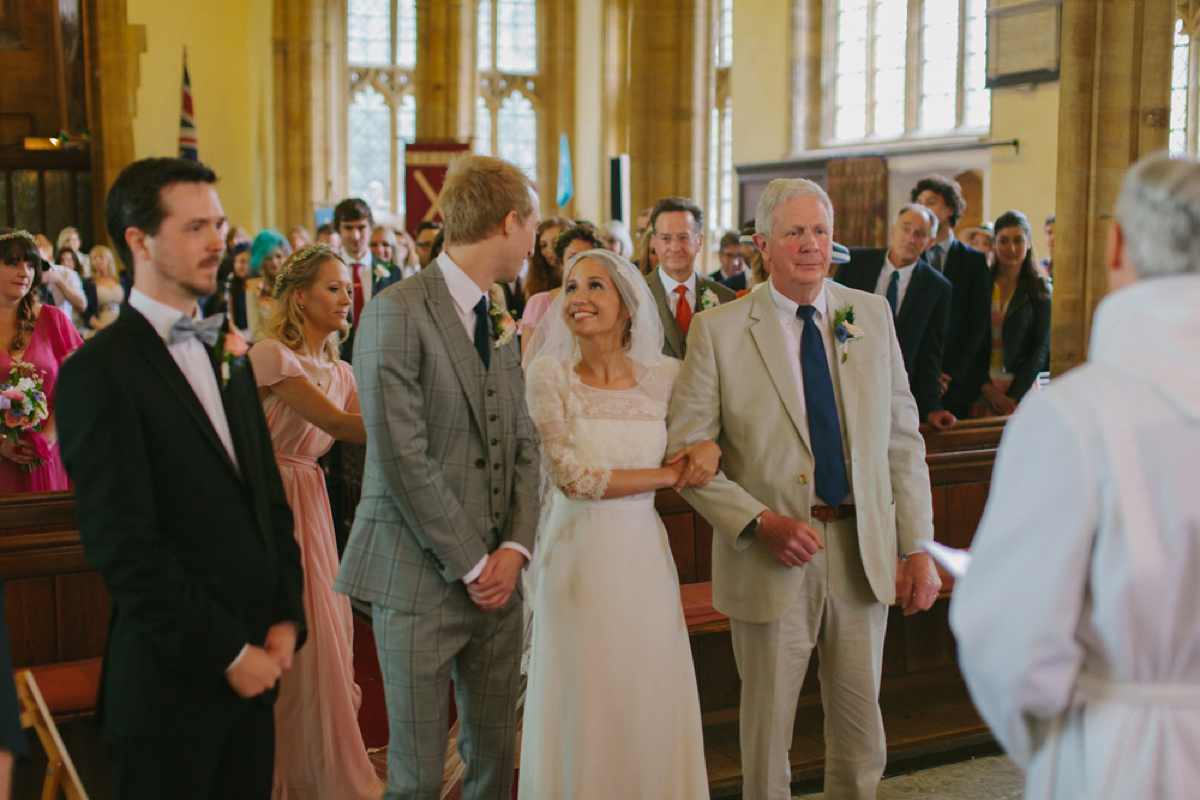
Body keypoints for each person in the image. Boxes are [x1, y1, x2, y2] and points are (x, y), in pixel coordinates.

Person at [667, 178, 940, 800]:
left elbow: (902, 437)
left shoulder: (865, 313)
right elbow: (688, 455)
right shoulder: (720, 329)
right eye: (794, 233)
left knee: (860, 729)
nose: (811, 245)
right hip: (771, 554)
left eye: (820, 230)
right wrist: (760, 521)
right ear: (763, 244)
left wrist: (916, 546)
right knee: (767, 733)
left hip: (860, 548)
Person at [949, 152, 1200, 799]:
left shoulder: (1075, 415)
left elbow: (1007, 636)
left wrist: (1071, 742)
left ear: (1115, 246)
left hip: (1128, 756)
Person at [57, 157, 305, 800]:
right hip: (170, 698)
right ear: (138, 241)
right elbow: (124, 547)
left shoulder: (232, 353)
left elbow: (268, 501)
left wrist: (284, 614)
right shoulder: (99, 372)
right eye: (196, 227)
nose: (219, 242)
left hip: (253, 680)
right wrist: (229, 653)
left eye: (219, 224)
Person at [334, 154, 541, 800]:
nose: (537, 239)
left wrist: (514, 548)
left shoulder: (500, 311)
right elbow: (401, 458)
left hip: (500, 585)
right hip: (418, 579)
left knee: (491, 764)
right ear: (509, 223)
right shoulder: (396, 312)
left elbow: (525, 444)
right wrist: (475, 563)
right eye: (534, 223)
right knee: (418, 776)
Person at [519, 249, 716, 798]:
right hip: (577, 555)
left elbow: (708, 432)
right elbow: (572, 478)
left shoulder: (666, 378)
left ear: (628, 305)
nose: (579, 298)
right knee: (586, 693)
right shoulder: (548, 375)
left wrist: (708, 447)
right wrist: (668, 475)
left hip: (642, 557)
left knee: (645, 687)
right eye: (572, 287)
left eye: (595, 286)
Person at [248, 244, 382, 800]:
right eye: (333, 287)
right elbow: (341, 425)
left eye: (348, 287)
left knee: (330, 630)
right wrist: (427, 423)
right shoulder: (273, 356)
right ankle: (283, 772)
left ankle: (319, 764)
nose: (346, 296)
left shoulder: (342, 369)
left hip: (312, 499)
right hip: (267, 500)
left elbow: (360, 422)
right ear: (299, 296)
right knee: (297, 628)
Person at [836, 205, 955, 430]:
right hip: (847, 380)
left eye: (919, 233)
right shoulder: (855, 263)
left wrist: (932, 407)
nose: (910, 238)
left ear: (930, 243)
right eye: (905, 229)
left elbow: (930, 351)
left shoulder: (937, 287)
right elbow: (836, 322)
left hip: (895, 390)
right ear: (892, 231)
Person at [0, 230, 82, 492]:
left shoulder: (53, 319)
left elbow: (77, 385)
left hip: (48, 455)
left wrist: (47, 438)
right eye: (13, 263)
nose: (25, 272)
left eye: (30, 265)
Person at [912, 175, 992, 420]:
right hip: (913, 375)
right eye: (920, 202)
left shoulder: (973, 261)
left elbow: (977, 323)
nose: (924, 208)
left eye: (932, 201)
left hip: (955, 379)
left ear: (950, 209)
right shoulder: (910, 256)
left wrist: (948, 373)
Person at [973, 210, 1052, 416]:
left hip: (1021, 390)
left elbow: (1040, 347)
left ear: (1028, 243)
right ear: (995, 243)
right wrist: (986, 386)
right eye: (1004, 241)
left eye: (1018, 240)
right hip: (981, 388)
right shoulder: (980, 283)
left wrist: (1013, 396)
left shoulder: (1040, 289)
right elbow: (968, 340)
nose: (1012, 248)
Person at [644, 197, 736, 360]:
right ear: (655, 243)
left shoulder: (726, 299)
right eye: (666, 238)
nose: (675, 248)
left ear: (699, 241)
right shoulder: (636, 295)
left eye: (683, 237)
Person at [520, 224, 605, 353]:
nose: (580, 263)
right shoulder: (539, 303)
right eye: (572, 257)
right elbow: (528, 362)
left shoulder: (602, 301)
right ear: (560, 262)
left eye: (587, 257)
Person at [246, 229, 290, 341]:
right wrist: (281, 342)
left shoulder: (294, 287)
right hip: (269, 350)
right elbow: (255, 332)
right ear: (261, 261)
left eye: (279, 256)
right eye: (269, 258)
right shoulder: (253, 289)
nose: (274, 262)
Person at [83, 244, 126, 335]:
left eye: (101, 257)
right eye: (94, 258)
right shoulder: (89, 283)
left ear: (109, 259)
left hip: (121, 323)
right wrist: (101, 327)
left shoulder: (121, 280)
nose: (98, 260)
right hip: (101, 324)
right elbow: (85, 311)